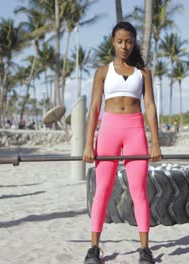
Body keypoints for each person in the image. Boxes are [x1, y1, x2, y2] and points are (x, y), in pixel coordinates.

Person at [82, 21, 161, 264]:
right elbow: (94, 108)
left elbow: (149, 107)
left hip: (135, 130)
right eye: (119, 41)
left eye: (128, 41)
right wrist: (88, 144)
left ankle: (145, 249)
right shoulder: (103, 72)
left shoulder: (143, 73)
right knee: (102, 190)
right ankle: (94, 247)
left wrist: (155, 142)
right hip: (109, 130)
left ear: (134, 42)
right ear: (113, 42)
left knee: (139, 191)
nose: (124, 46)